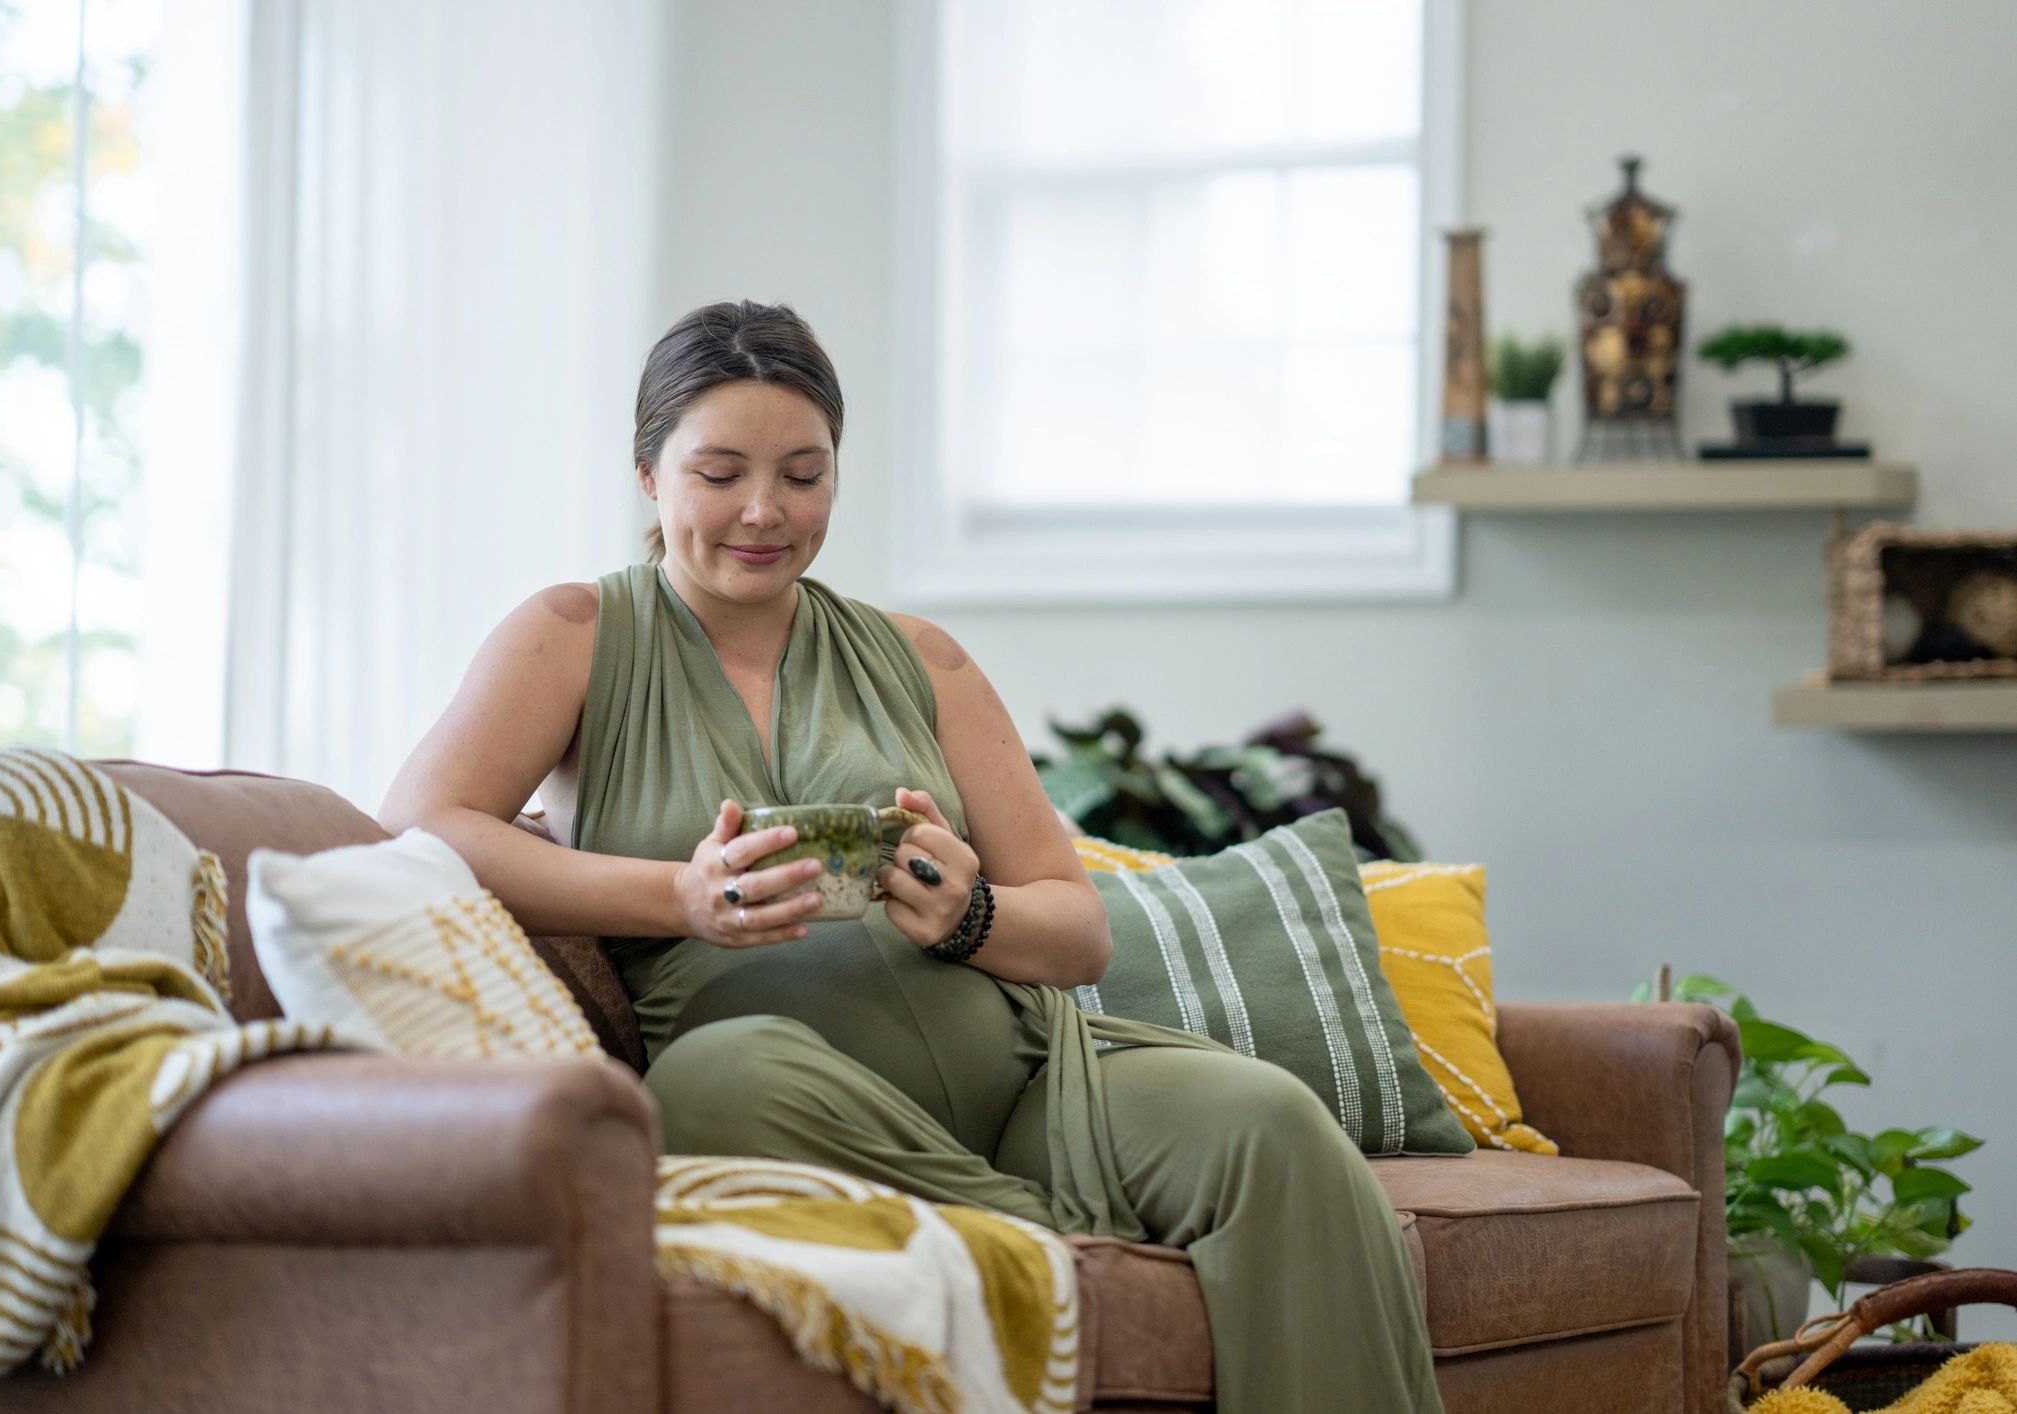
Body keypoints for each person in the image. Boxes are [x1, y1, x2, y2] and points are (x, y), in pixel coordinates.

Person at [380, 299, 1444, 1413]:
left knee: (1277, 1127)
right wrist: (681, 896)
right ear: (649, 474)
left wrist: (973, 914)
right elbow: (422, 823)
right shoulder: (575, 636)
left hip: (1039, 1089)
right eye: (721, 472)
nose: (763, 510)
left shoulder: (921, 657)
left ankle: (1023, 1231)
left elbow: (1077, 929)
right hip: (788, 1097)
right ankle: (1050, 1241)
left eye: (803, 473)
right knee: (709, 1081)